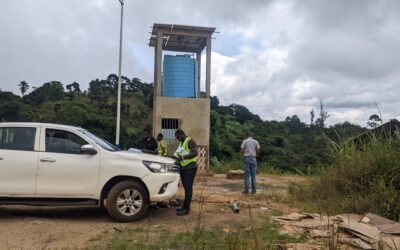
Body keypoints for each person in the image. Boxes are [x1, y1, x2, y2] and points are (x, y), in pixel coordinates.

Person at [172, 129, 198, 216]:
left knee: (188, 188)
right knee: (186, 187)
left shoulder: (190, 141)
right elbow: (176, 155)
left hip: (190, 167)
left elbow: (195, 153)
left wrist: (182, 158)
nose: (178, 139)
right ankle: (184, 207)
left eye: (178, 137)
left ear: (182, 134)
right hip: (184, 168)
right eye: (177, 138)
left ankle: (186, 209)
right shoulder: (181, 143)